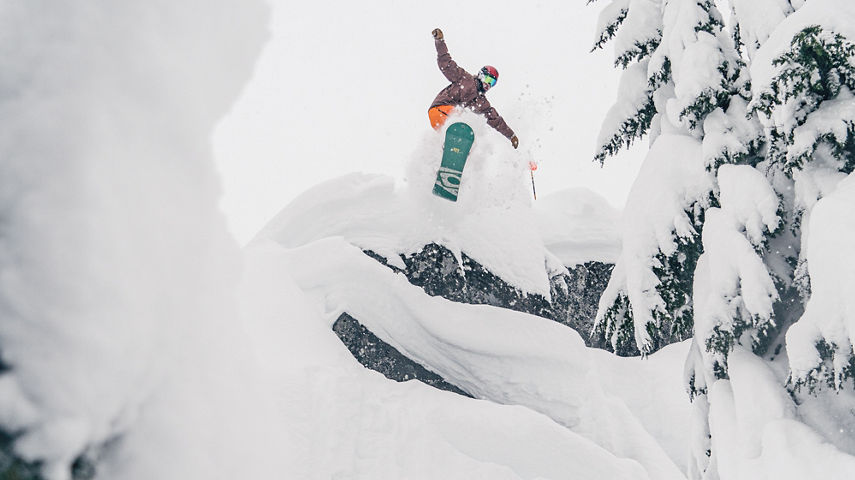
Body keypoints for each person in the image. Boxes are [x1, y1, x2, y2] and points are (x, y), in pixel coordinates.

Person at [428, 28, 519, 149]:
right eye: (487, 79)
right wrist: (439, 41)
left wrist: (511, 135)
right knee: (464, 119)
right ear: (481, 75)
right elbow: (446, 63)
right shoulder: (464, 78)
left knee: (472, 141)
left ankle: (450, 157)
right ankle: (453, 145)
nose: (488, 84)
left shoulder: (481, 101)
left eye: (492, 83)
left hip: (448, 122)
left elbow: (495, 119)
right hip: (440, 110)